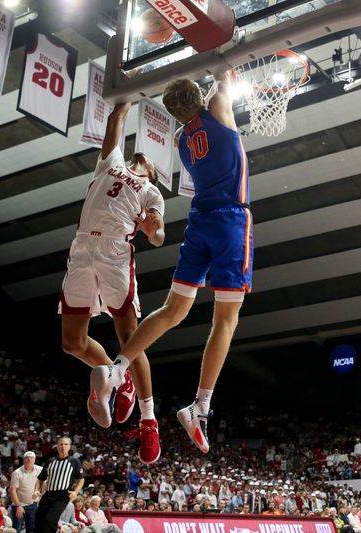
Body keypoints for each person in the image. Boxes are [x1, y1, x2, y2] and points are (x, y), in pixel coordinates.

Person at [88, 70, 250, 454]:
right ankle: (200, 406)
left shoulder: (180, 140)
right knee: (226, 318)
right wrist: (221, 67)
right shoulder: (217, 111)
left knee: (173, 309)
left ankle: (116, 369)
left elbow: (209, 98)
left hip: (199, 222)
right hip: (231, 220)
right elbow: (225, 77)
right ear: (202, 99)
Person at [66, 102, 166, 464]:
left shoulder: (152, 192)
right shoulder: (112, 163)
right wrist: (128, 93)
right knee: (71, 342)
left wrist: (152, 230)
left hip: (114, 253)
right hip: (81, 248)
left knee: (131, 337)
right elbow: (114, 119)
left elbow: (158, 236)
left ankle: (149, 419)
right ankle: (117, 377)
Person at [34, 437, 84, 533]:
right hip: (48, 494)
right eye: (61, 444)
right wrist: (37, 489)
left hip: (62, 495)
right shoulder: (50, 461)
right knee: (39, 519)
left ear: (69, 447)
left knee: (50, 519)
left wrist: (75, 492)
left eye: (65, 444)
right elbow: (40, 479)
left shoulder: (74, 461)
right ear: (57, 446)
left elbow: (81, 479)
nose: (63, 447)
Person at [9, 451, 42, 533]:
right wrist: (18, 506)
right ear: (23, 460)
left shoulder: (40, 470)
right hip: (19, 504)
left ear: (34, 460)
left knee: (32, 530)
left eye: (31, 458)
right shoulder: (17, 473)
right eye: (27, 458)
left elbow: (45, 483)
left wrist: (39, 492)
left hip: (33, 504)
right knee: (17, 529)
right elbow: (12, 491)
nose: (29, 460)